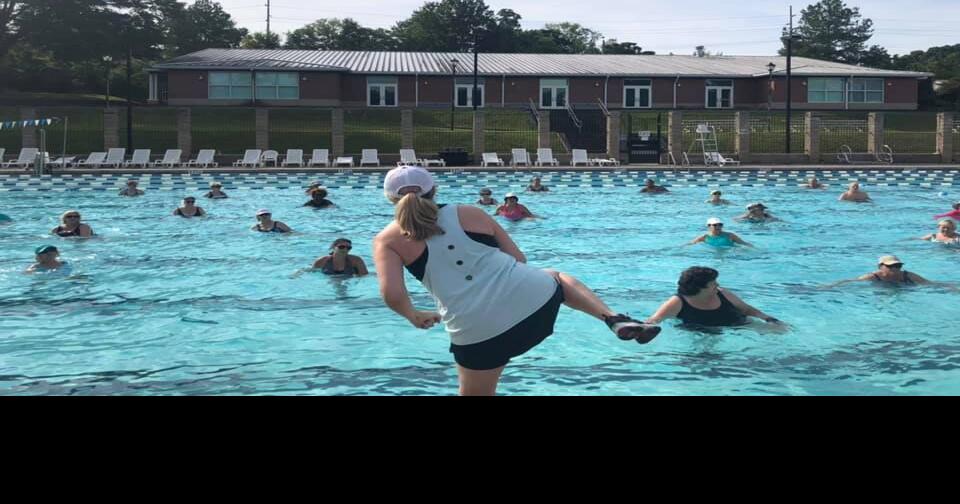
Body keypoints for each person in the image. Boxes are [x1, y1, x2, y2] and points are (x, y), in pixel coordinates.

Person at [372, 165, 660, 396]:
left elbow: (392, 294)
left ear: (389, 198)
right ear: (434, 190)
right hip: (533, 300)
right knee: (557, 277)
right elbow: (518, 258)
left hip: (476, 330)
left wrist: (413, 315)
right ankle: (613, 318)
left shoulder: (387, 240)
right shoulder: (467, 212)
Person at [644, 267, 781, 327]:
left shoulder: (723, 293)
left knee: (780, 331)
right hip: (699, 331)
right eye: (713, 283)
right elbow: (656, 319)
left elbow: (747, 310)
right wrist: (642, 327)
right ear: (700, 287)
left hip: (736, 325)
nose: (717, 284)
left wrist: (768, 319)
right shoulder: (678, 301)